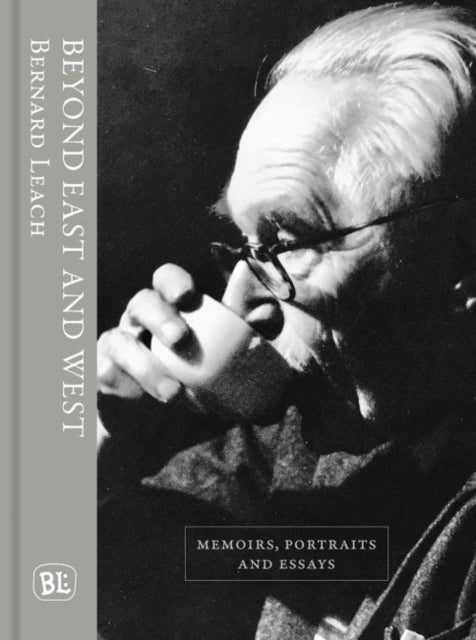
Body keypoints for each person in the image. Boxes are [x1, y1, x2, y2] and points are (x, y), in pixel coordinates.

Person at [97, 4, 476, 639]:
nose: (242, 298)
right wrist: (98, 437)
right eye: (246, 247)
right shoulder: (306, 439)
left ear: (461, 254)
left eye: (287, 242)